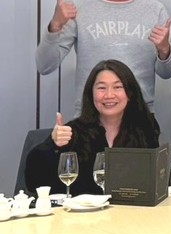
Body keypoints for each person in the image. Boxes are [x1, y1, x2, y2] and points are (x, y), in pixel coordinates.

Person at [36, 0, 171, 115]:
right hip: (89, 116)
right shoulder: (77, 10)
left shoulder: (155, 10)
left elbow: (167, 72)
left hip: (140, 116)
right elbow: (45, 65)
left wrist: (164, 50)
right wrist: (55, 25)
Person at [26, 60, 160, 196]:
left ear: (130, 93)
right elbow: (33, 182)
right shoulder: (72, 132)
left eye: (117, 87)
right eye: (101, 88)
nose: (109, 95)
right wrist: (52, 144)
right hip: (80, 209)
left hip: (130, 208)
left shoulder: (145, 128)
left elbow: (154, 180)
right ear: (91, 94)